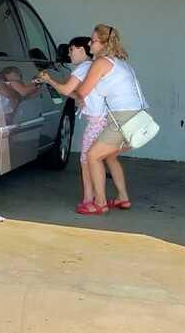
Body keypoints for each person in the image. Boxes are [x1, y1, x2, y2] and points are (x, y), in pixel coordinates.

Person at [38, 36, 122, 213]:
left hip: (96, 122)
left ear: (83, 50)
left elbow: (67, 90)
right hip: (104, 120)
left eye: (72, 49)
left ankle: (92, 200)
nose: (69, 53)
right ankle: (117, 197)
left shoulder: (83, 68)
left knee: (88, 160)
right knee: (102, 159)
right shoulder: (92, 66)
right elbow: (80, 94)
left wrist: (49, 80)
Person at [73, 24, 146, 215]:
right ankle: (122, 197)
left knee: (92, 156)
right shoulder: (122, 63)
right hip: (135, 117)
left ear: (104, 44)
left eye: (93, 40)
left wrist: (68, 91)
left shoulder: (101, 63)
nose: (89, 44)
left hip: (122, 118)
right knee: (110, 156)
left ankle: (100, 202)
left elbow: (82, 91)